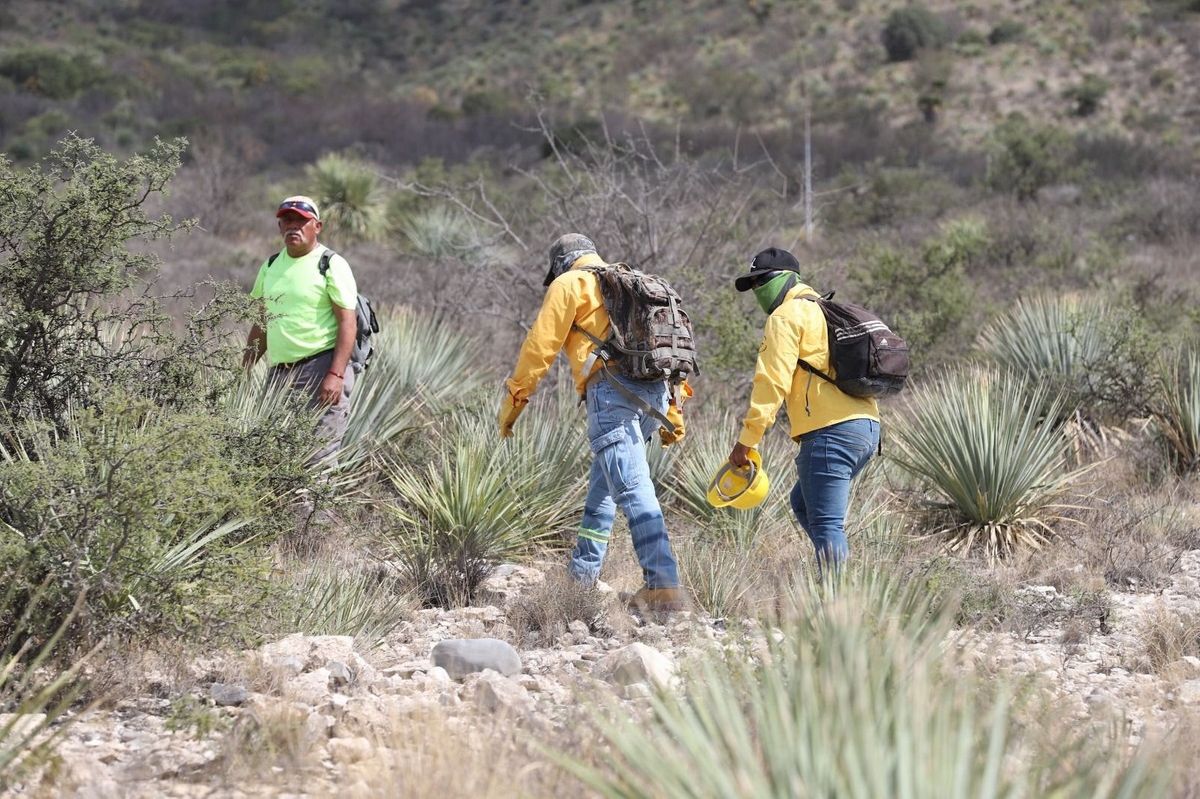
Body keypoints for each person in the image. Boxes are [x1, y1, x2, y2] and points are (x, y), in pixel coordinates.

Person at [498, 234, 689, 613]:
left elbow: (540, 347)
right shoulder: (632, 280)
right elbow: (668, 347)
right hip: (654, 396)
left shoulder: (570, 283)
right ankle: (581, 577)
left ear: (560, 265)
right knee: (602, 493)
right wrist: (674, 413)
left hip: (612, 394)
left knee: (633, 490)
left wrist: (514, 405)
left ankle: (663, 587)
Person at [726, 247, 880, 575]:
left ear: (785, 278)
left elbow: (771, 384)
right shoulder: (827, 310)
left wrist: (746, 441)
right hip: (867, 428)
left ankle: (837, 607)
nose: (757, 290)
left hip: (832, 431)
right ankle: (841, 578)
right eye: (752, 285)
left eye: (761, 281)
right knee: (803, 503)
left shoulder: (786, 316)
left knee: (826, 523)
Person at [243, 195, 359, 467]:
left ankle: (317, 512)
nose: (294, 226)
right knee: (274, 457)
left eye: (302, 221)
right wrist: (245, 368)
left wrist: (336, 374)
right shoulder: (270, 266)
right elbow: (262, 322)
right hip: (280, 374)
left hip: (321, 368)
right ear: (280, 227)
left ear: (317, 226)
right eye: (287, 220)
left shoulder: (331, 264)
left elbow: (347, 322)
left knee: (317, 461)